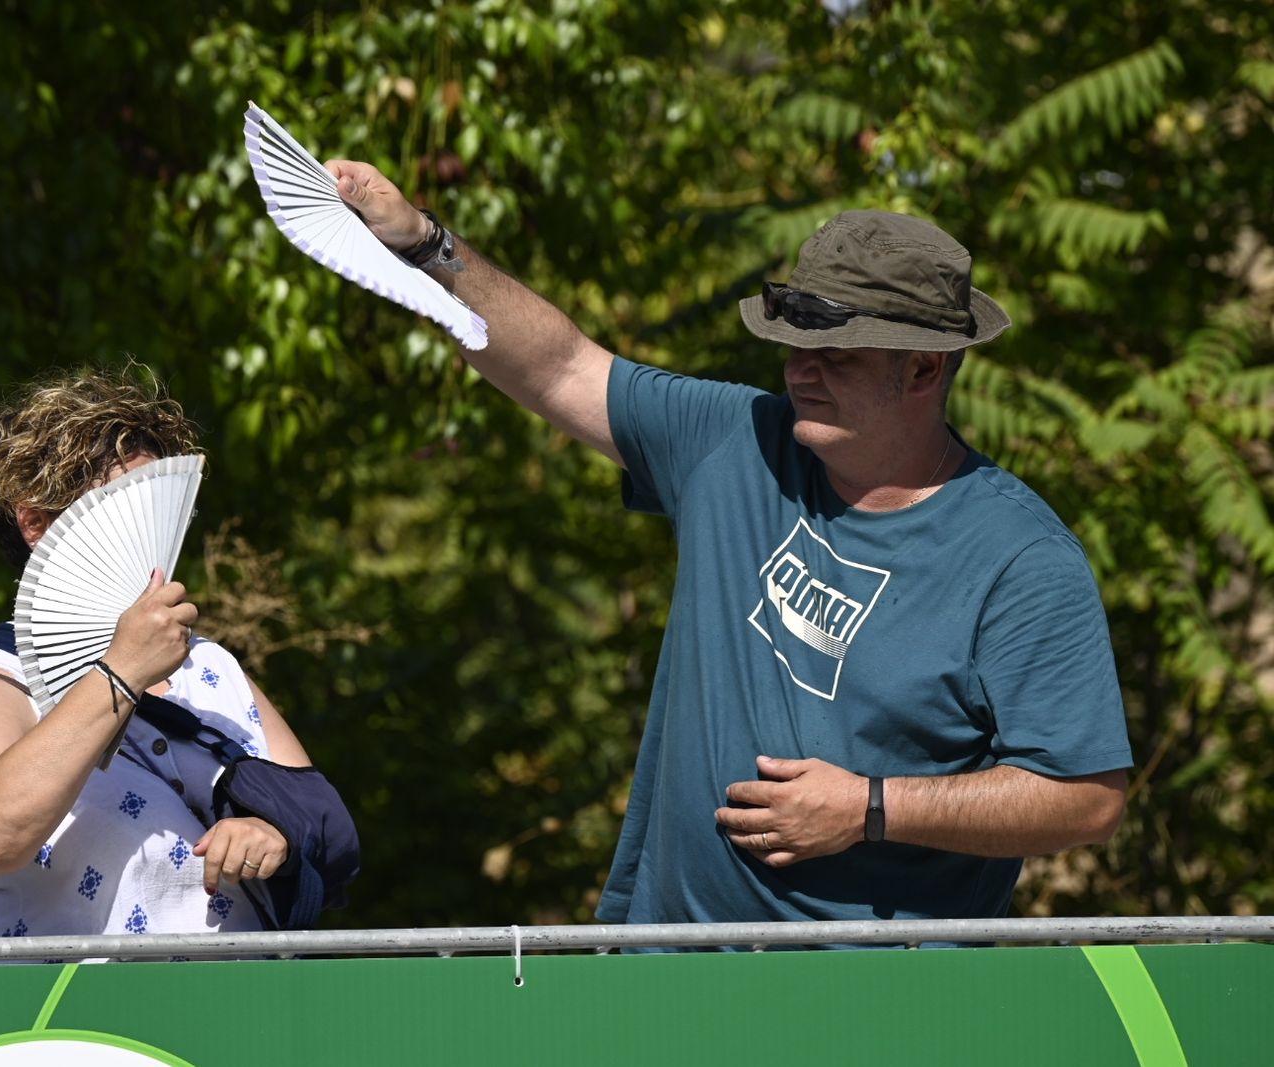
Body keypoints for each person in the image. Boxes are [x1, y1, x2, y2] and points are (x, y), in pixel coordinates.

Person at [323, 160, 1131, 930]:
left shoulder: (1020, 559)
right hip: (668, 972)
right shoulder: (734, 438)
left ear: (923, 370)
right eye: (792, 346)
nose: (799, 372)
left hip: (875, 1005)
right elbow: (561, 365)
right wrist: (428, 244)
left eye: (834, 356)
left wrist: (869, 808)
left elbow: (1086, 797)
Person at [0, 366, 355, 939]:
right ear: (37, 523)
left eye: (164, 510)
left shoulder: (211, 669)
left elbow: (330, 831)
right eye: (129, 509)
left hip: (241, 1013)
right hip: (68, 1026)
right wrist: (122, 671)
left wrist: (274, 836)